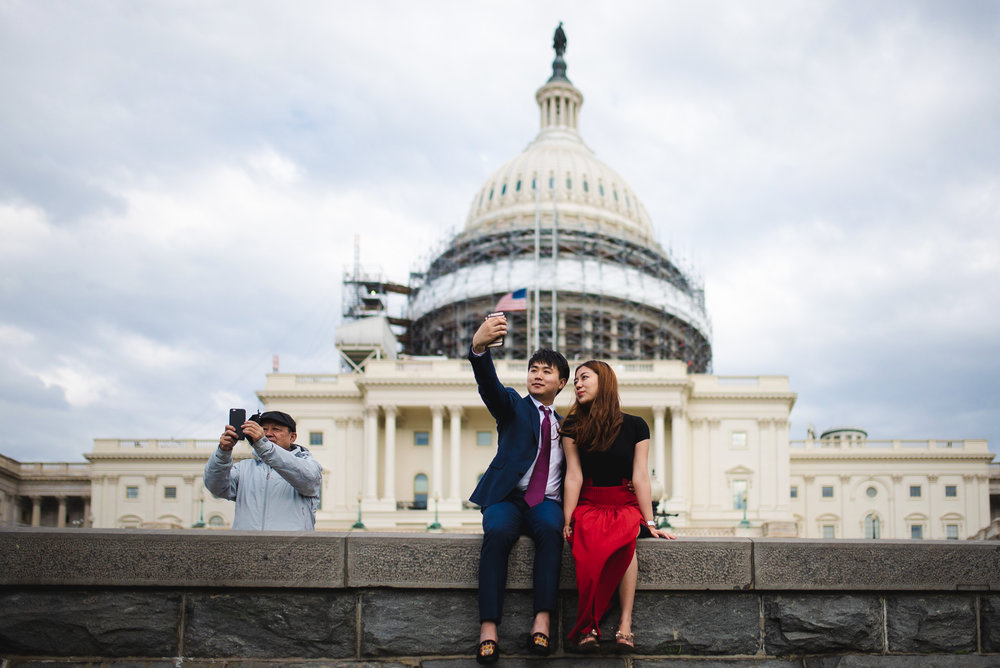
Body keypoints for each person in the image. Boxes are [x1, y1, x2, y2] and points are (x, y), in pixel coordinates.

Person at [467, 313, 570, 664]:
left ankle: (542, 620)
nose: (537, 376)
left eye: (546, 372)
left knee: (551, 531)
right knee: (495, 532)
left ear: (561, 383)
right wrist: (479, 350)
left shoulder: (566, 425)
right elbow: (489, 388)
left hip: (546, 503)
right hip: (506, 500)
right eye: (533, 370)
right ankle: (488, 628)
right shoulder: (513, 406)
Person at [561, 361, 675, 652]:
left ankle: (625, 623)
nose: (578, 384)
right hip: (589, 503)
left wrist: (650, 523)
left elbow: (640, 476)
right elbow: (574, 475)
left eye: (584, 377)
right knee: (585, 552)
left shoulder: (636, 425)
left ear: (605, 382)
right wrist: (568, 519)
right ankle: (587, 626)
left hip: (624, 505)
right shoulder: (573, 426)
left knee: (627, 544)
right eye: (575, 380)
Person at [203, 410, 323, 530]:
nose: (268, 434)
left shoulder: (308, 464)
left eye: (276, 429)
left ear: (292, 437)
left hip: (290, 547)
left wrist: (263, 445)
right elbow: (216, 487)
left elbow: (308, 478)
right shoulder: (244, 468)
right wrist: (223, 452)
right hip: (247, 547)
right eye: (263, 429)